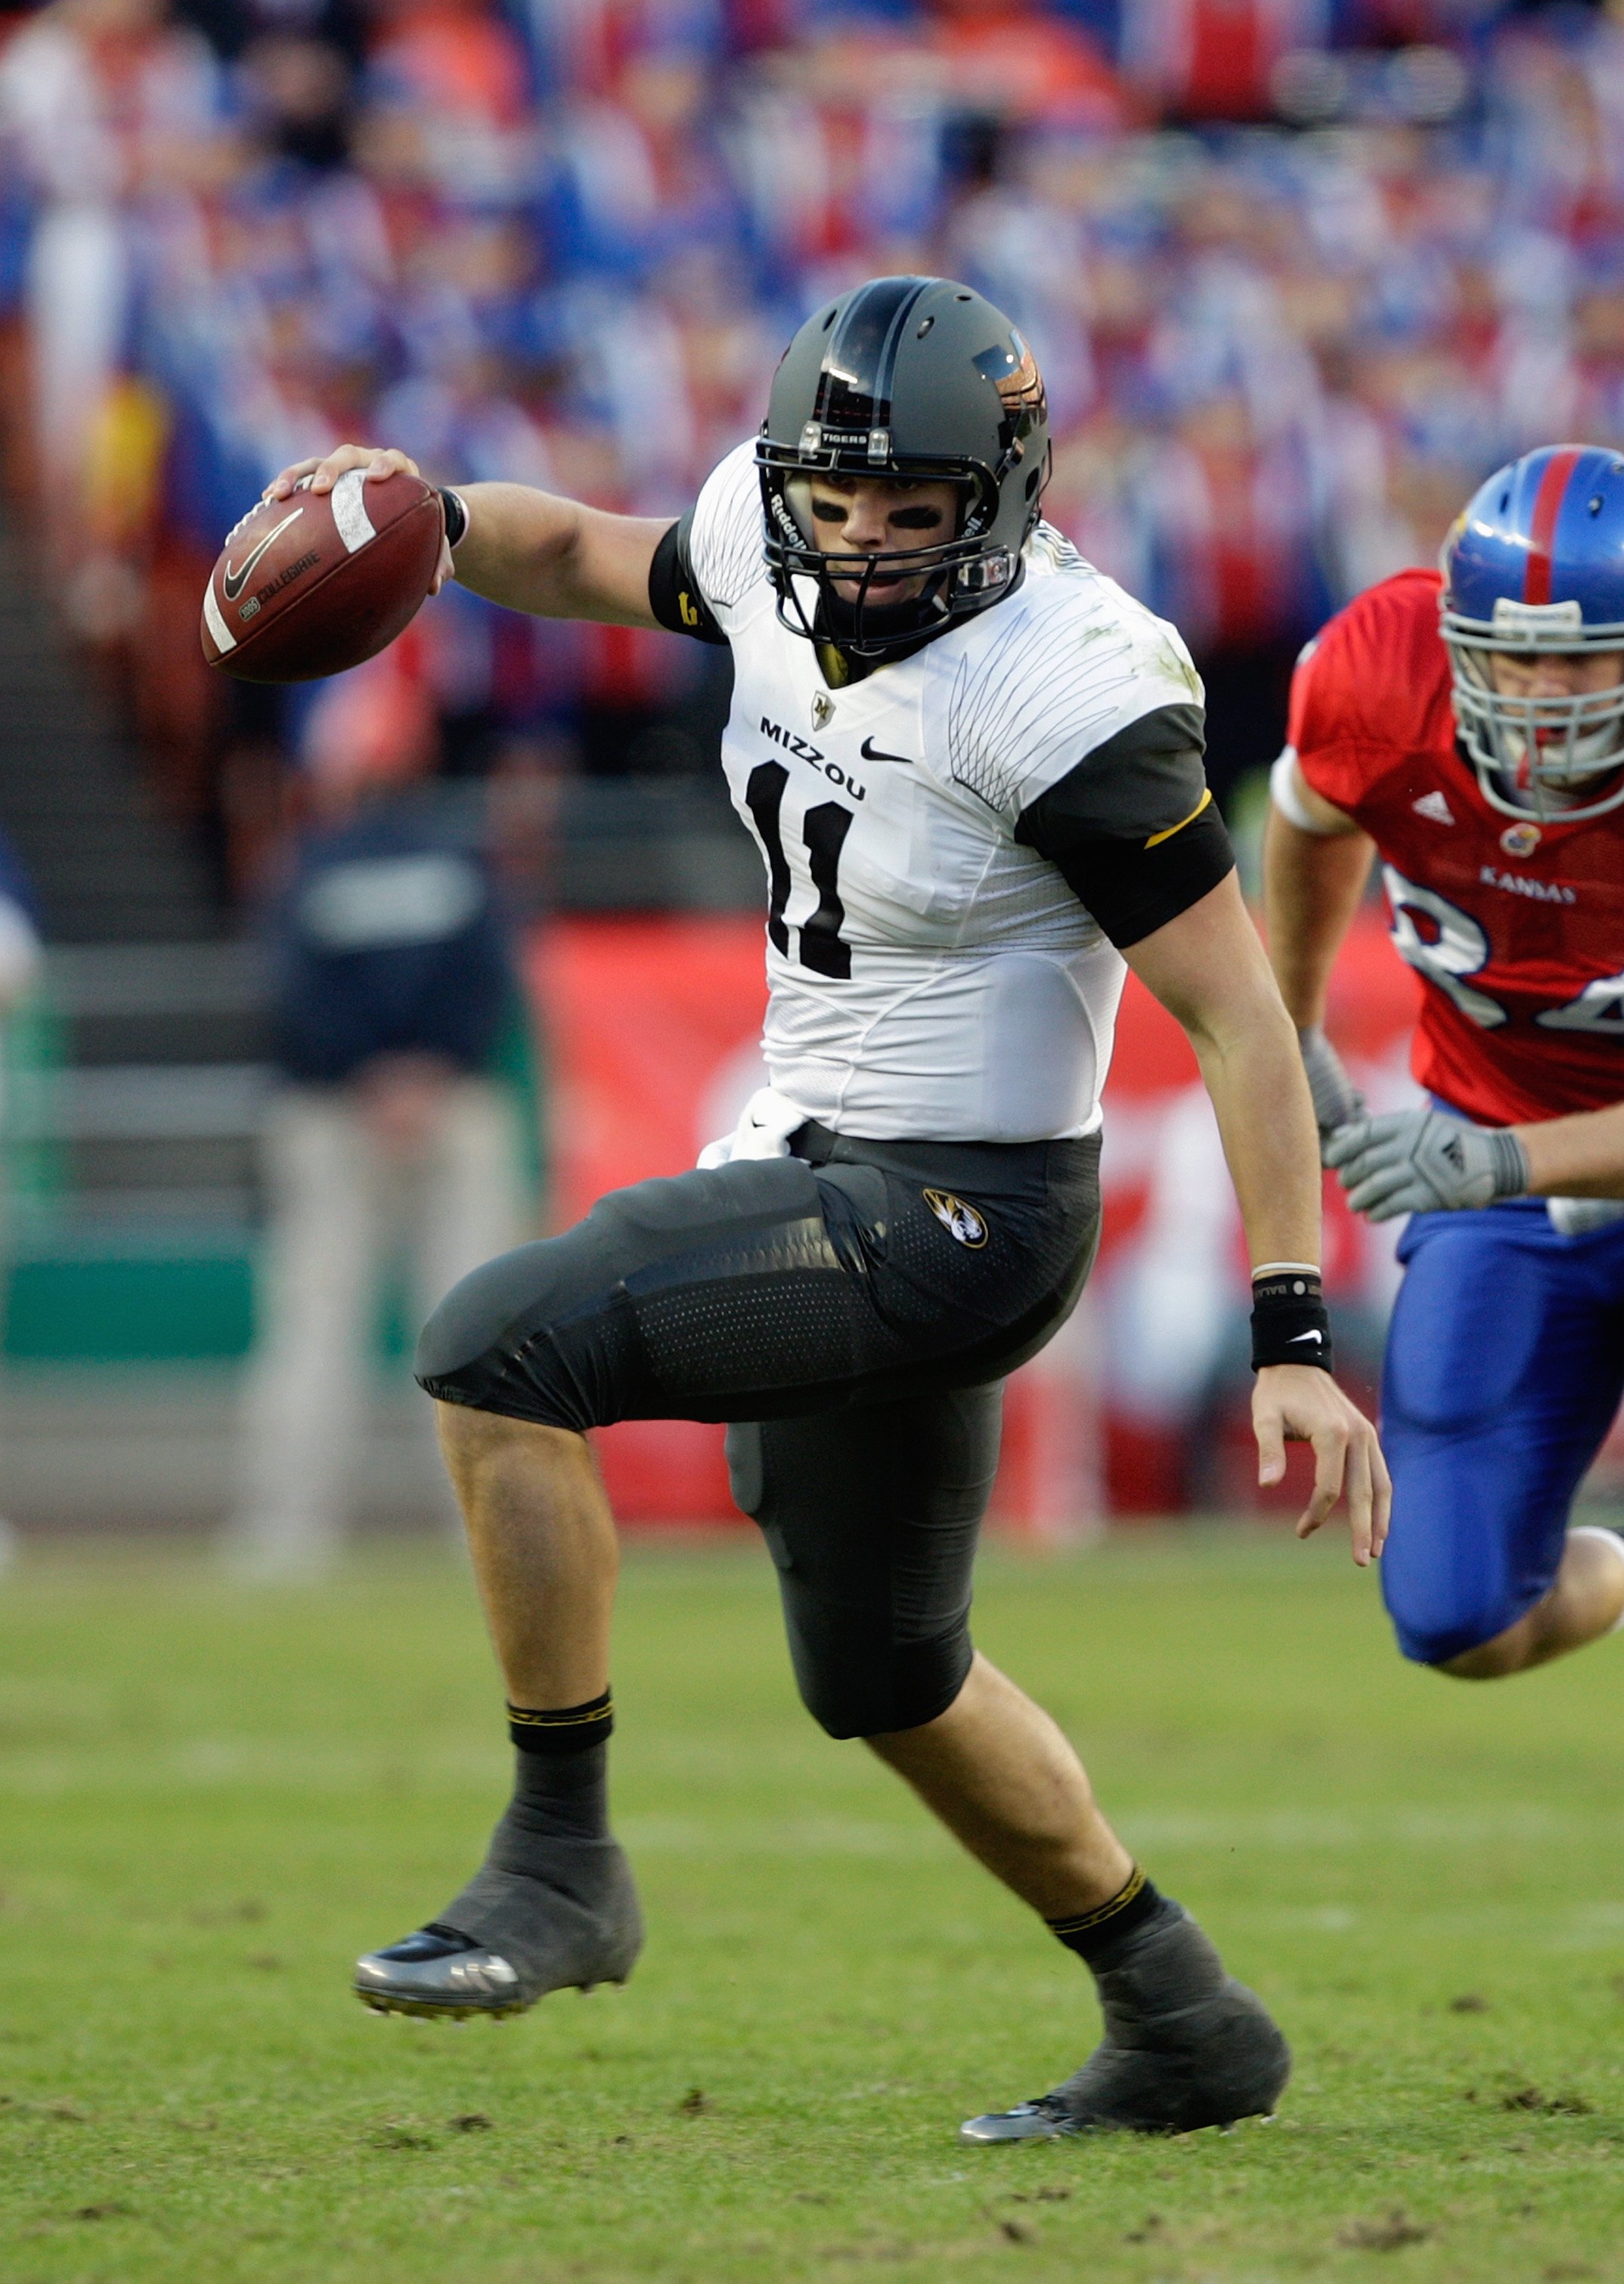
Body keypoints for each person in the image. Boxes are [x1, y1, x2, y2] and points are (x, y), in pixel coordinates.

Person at [270, 274, 1386, 2143]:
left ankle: (558, 1862)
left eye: (913, 513)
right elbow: (587, 550)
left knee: (491, 1347)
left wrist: (1288, 1328)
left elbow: (1237, 1020)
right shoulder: (766, 534)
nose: (861, 547)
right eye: (836, 506)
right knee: (884, 1674)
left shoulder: (1070, 687)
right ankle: (1176, 2012)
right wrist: (441, 524)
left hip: (960, 1207)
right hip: (813, 1153)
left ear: (1004, 494)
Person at [1265, 442, 1624, 1687]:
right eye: (1512, 652)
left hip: (1495, 1156)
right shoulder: (1376, 677)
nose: (1540, 688)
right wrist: (1289, 1018)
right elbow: (1311, 811)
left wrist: (1499, 1157)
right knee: (1453, 1614)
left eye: (1580, 654)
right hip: (1503, 1186)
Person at [227, 673, 535, 1576]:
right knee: (476, 1332)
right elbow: (494, 984)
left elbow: (285, 994)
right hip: (452, 1111)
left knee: (315, 1325)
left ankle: (288, 1532)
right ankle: (494, 1534)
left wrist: (368, 1071)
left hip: (334, 1114)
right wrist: (426, 1067)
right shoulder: (464, 857)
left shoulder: (304, 866)